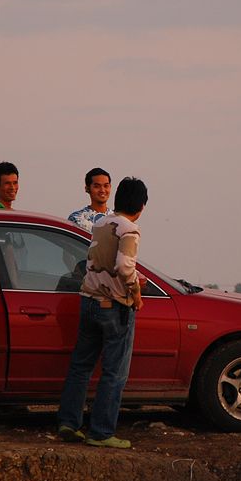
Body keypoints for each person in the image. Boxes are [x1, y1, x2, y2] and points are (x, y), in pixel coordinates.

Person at [57, 177, 148, 449]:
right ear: (142, 205)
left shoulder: (100, 223)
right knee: (114, 372)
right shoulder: (130, 229)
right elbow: (123, 266)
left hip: (89, 299)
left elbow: (100, 260)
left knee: (80, 366)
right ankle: (101, 432)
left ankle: (68, 422)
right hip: (113, 305)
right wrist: (136, 294)